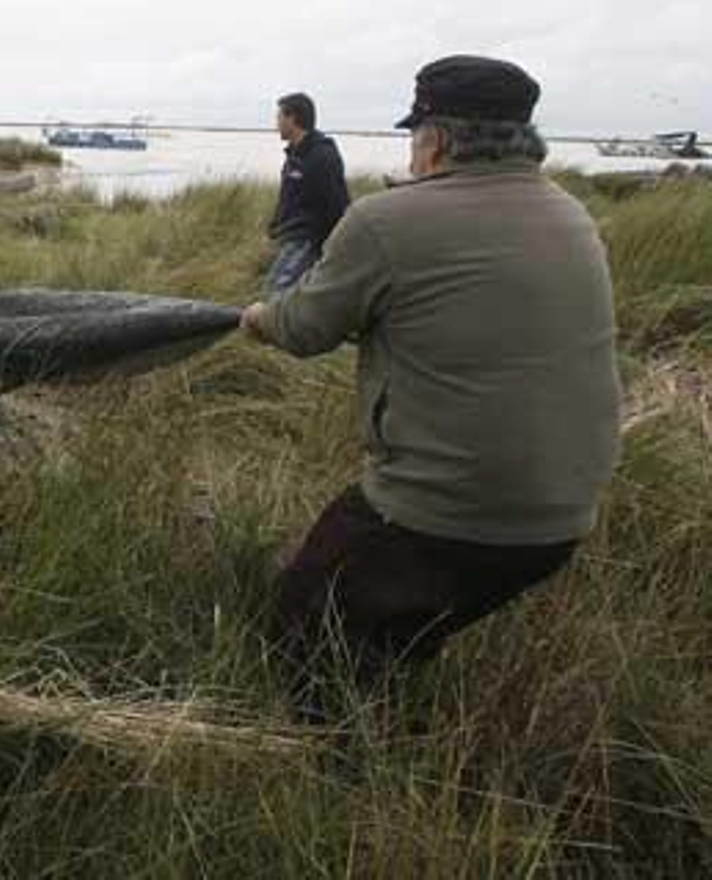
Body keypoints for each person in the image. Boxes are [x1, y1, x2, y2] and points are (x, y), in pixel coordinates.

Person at [240, 56, 622, 719]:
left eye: (416, 138)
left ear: (437, 140)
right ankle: (390, 709)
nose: (413, 155)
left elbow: (303, 328)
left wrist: (256, 318)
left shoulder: (389, 220)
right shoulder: (572, 214)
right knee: (388, 628)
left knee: (300, 620)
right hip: (560, 520)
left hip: (443, 513)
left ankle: (341, 777)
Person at [265, 92, 350, 293]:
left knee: (278, 290)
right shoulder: (294, 154)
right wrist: (275, 226)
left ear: (292, 118)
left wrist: (325, 246)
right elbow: (289, 198)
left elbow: (336, 204)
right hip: (290, 237)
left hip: (308, 240)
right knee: (286, 292)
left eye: (279, 118)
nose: (276, 124)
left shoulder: (322, 155)